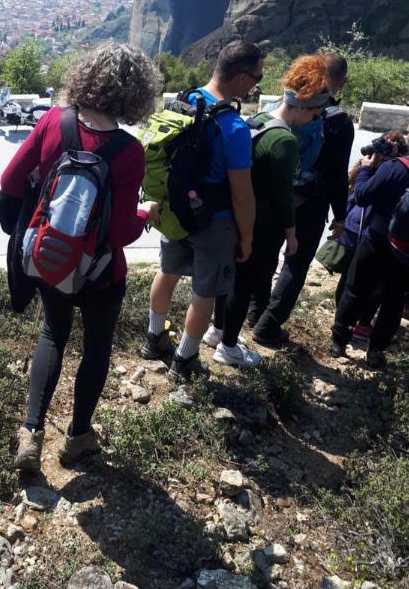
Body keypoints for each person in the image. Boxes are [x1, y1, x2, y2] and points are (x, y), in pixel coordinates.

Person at [0, 42, 161, 473]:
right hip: (100, 273)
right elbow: (119, 231)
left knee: (53, 333)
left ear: (85, 77)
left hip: (52, 259)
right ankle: (77, 439)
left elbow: (10, 180)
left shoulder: (54, 121)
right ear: (136, 94)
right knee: (95, 348)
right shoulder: (129, 151)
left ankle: (31, 434)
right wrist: (146, 214)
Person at [140, 40, 261, 381]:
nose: (256, 85)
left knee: (168, 270)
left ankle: (154, 339)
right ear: (239, 78)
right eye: (256, 77)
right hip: (214, 221)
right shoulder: (235, 128)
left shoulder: (184, 99)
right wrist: (247, 237)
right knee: (205, 291)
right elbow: (242, 195)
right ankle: (185, 359)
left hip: (174, 210)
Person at [214, 55, 330, 367]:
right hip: (263, 224)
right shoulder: (285, 142)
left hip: (235, 215)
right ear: (302, 106)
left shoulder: (260, 120)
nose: (316, 118)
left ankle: (217, 329)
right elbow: (283, 197)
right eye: (315, 112)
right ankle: (228, 347)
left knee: (229, 278)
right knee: (246, 283)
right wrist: (292, 236)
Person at [250, 53, 354, 347]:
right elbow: (337, 175)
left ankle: (255, 311)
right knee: (295, 264)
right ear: (341, 83)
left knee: (267, 254)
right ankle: (268, 325)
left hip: (273, 199)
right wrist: (341, 215)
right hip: (313, 202)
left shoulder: (286, 106)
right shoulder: (338, 121)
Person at [331, 141, 409, 368]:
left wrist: (366, 168)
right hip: (405, 251)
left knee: (355, 290)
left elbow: (363, 196)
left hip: (376, 238)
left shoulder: (395, 168)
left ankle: (339, 342)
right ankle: (376, 351)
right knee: (393, 301)